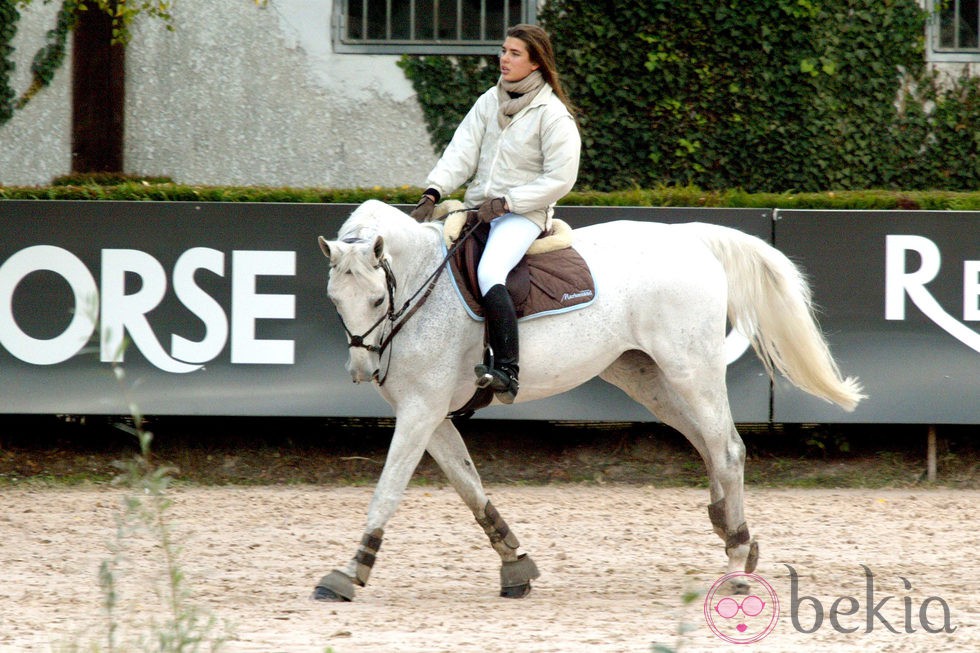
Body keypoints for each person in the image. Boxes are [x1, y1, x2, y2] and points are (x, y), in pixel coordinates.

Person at [410, 23, 581, 404]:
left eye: (515, 53)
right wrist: (433, 190)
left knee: (490, 271)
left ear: (536, 63)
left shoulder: (552, 115)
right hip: (478, 209)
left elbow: (561, 178)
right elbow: (461, 151)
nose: (504, 58)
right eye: (503, 51)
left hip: (523, 216)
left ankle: (507, 369)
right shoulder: (490, 100)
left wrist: (509, 203)